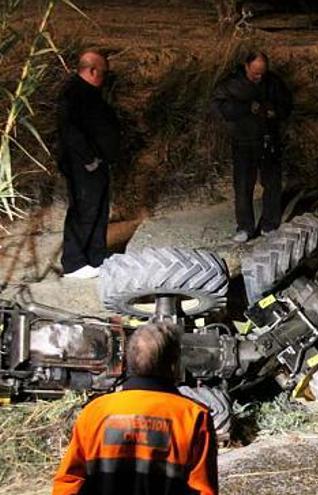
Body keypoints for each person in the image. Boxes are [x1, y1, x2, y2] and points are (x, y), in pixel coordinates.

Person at [53, 322, 218, 494]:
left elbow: (68, 482)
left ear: (127, 362)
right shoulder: (194, 417)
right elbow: (203, 489)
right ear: (174, 364)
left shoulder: (94, 412)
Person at [212, 51, 292, 243]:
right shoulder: (231, 84)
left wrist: (275, 112)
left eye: (262, 72)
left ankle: (270, 224)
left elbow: (287, 105)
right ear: (246, 66)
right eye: (255, 72)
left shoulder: (273, 82)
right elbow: (218, 108)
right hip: (243, 141)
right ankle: (245, 228)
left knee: (272, 183)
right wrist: (246, 107)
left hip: (269, 140)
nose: (259, 76)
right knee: (243, 186)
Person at [57, 51, 121, 279]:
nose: (104, 78)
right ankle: (74, 262)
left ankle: (96, 257)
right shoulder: (73, 94)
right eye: (103, 73)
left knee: (99, 209)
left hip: (98, 162)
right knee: (83, 210)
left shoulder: (90, 93)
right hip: (83, 165)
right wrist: (88, 159)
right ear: (92, 70)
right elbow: (70, 132)